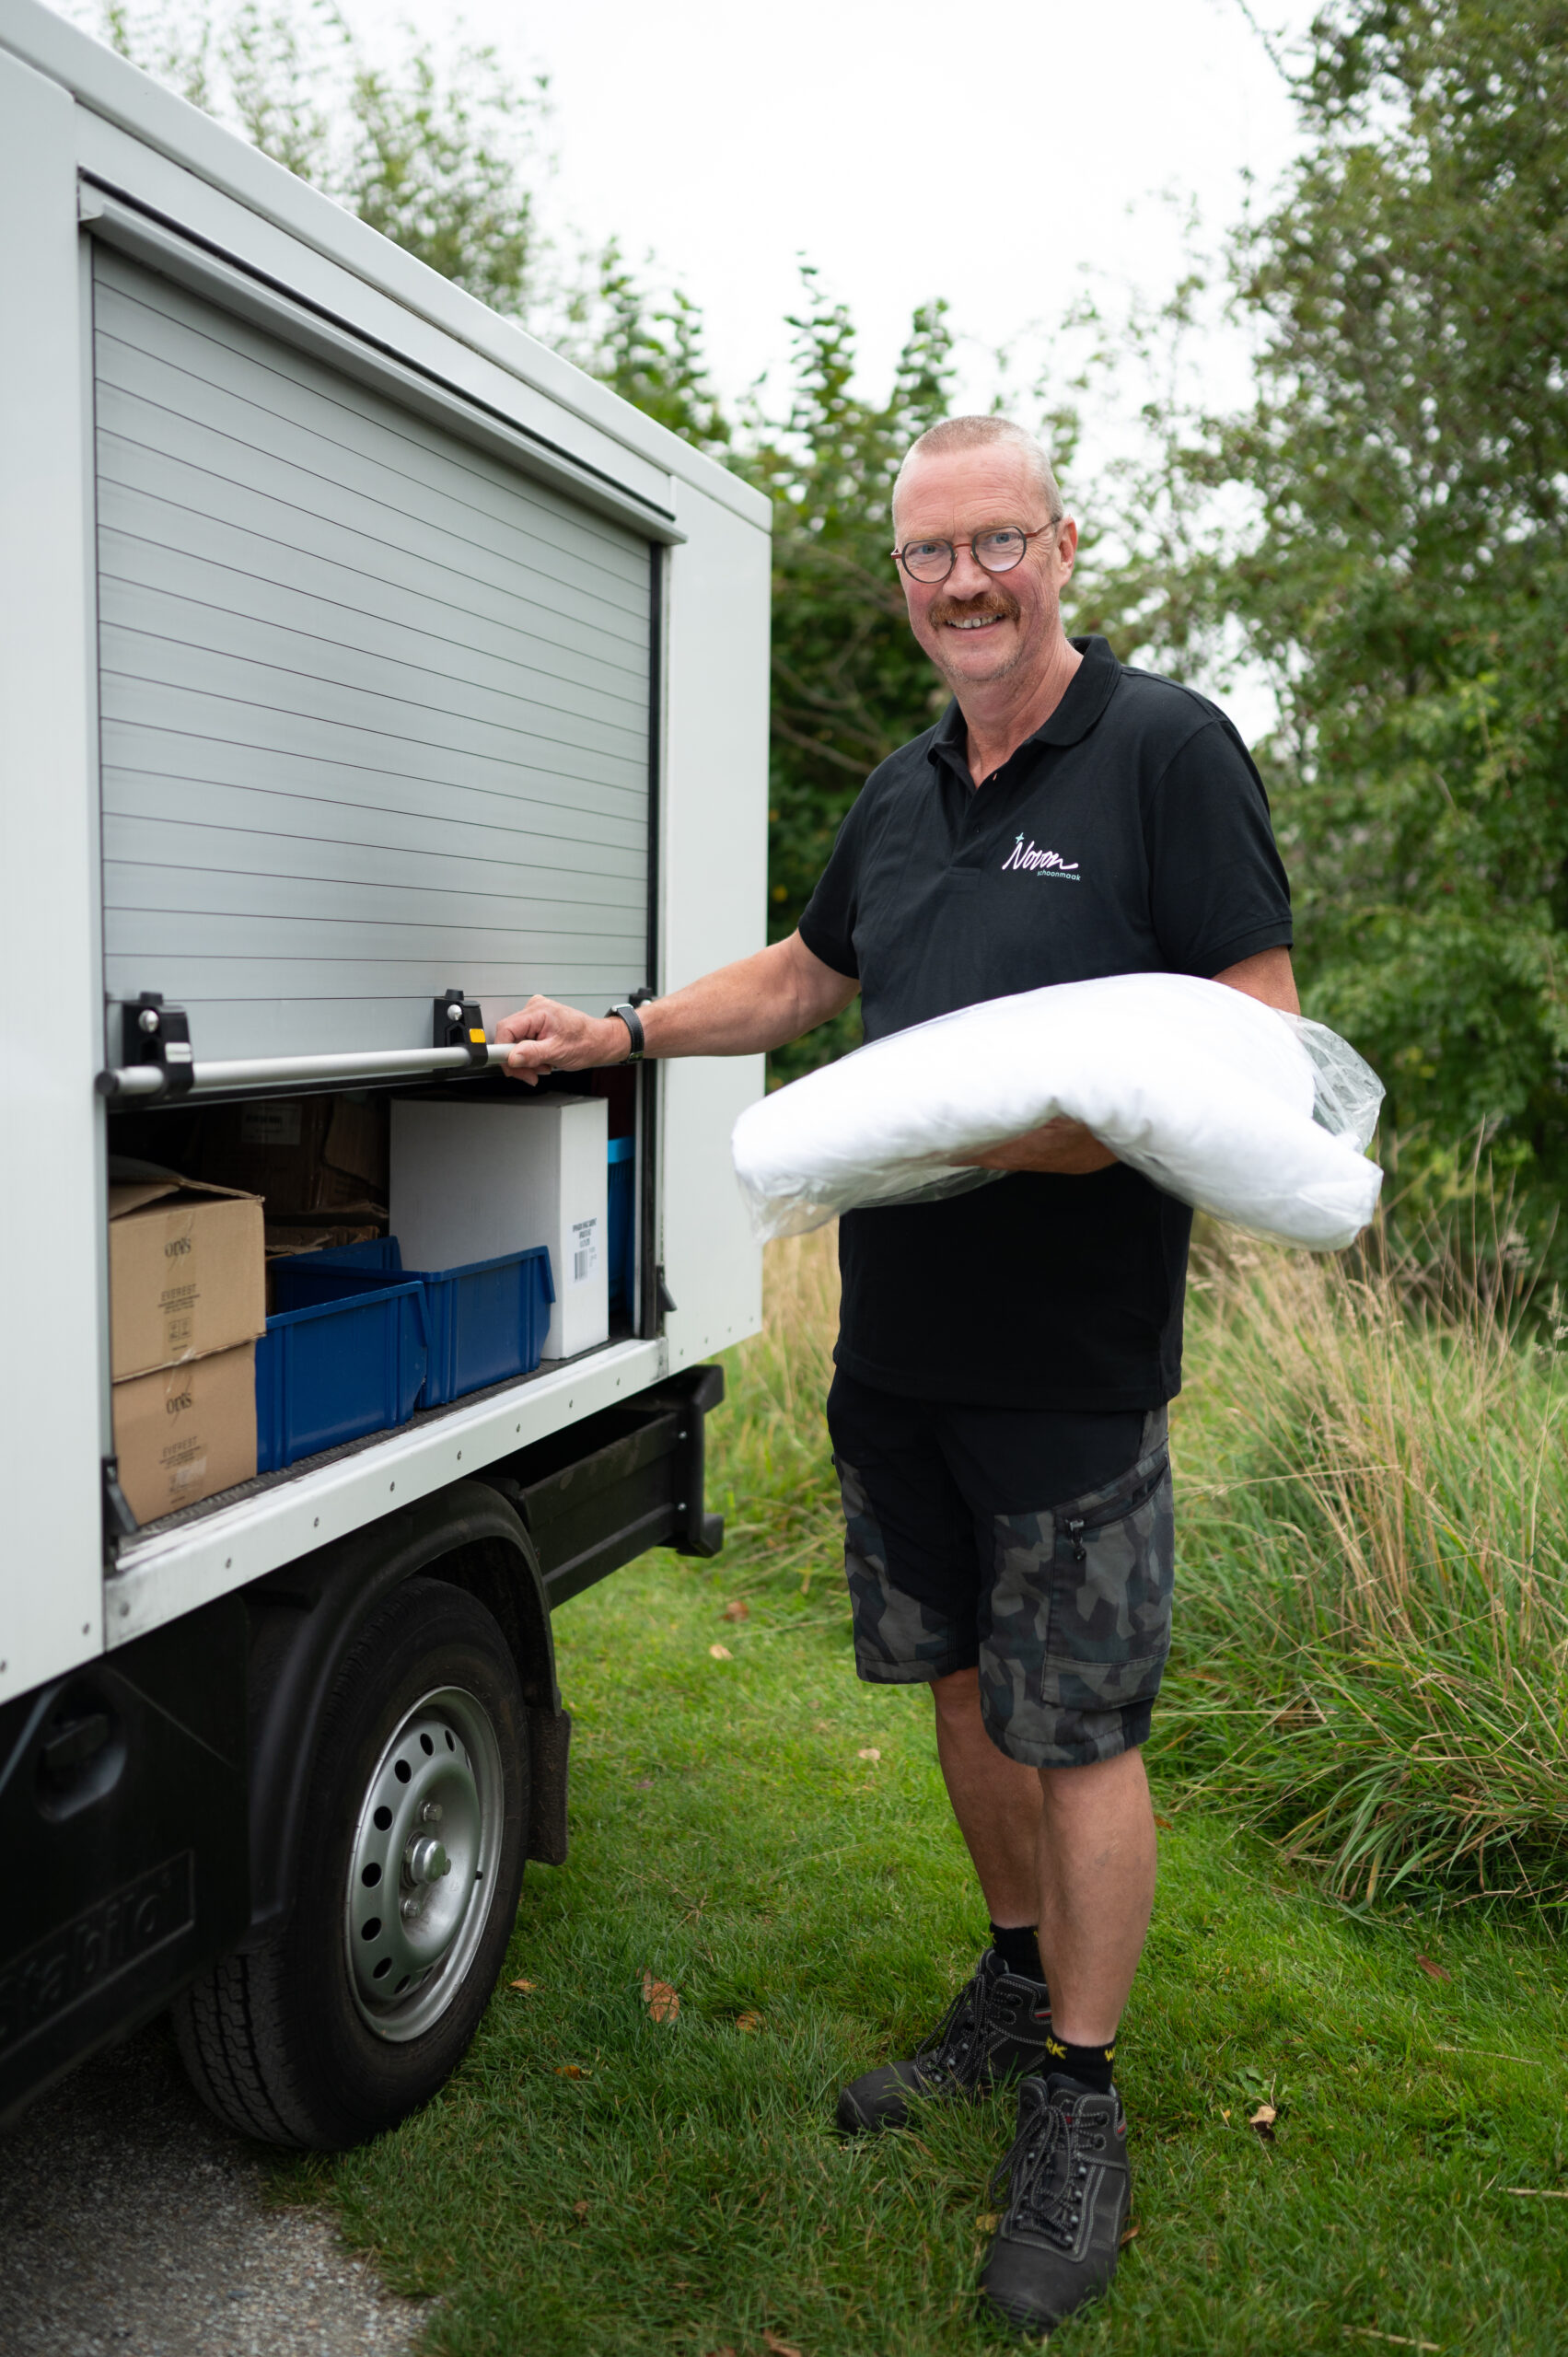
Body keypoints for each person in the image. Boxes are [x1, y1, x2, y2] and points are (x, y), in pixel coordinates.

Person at [496, 414, 1296, 2337]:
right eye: (931, 556)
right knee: (955, 1687)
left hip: (1076, 1361)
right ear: (906, 581)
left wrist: (1054, 1132)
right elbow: (804, 977)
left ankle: (1079, 2097)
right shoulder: (902, 789)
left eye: (996, 544)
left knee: (1080, 1728)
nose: (964, 583)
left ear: (1064, 546)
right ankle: (1012, 1981)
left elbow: (1256, 1029)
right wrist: (616, 1026)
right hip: (902, 1346)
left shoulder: (1168, 753)